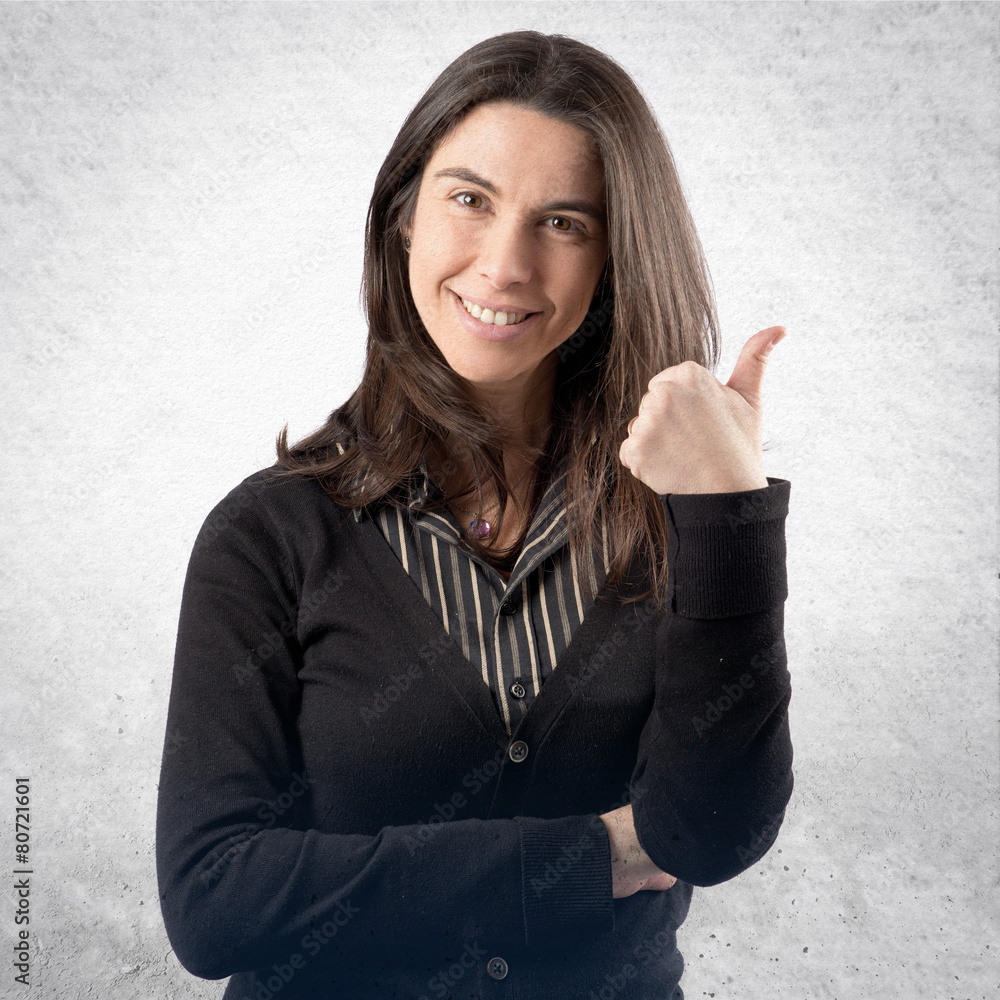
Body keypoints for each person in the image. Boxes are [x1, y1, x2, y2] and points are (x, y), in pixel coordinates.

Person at [156, 29, 793, 1000]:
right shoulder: (267, 537)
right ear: (403, 218)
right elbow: (214, 903)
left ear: (615, 258)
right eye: (469, 199)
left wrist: (727, 510)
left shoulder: (674, 520)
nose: (503, 265)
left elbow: (710, 835)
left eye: (563, 222)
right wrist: (590, 858)